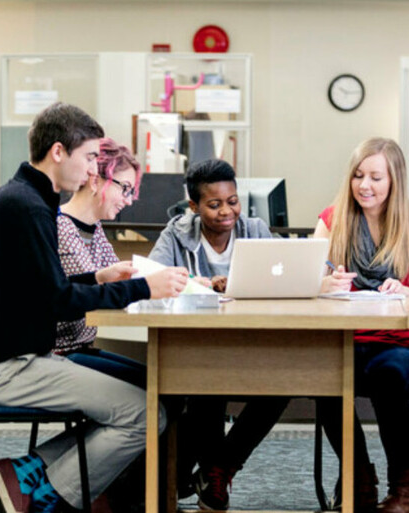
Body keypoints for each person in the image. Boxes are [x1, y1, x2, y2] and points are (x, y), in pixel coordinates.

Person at [0, 102, 189, 513]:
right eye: (89, 158)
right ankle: (52, 501)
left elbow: (46, 291)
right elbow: (59, 303)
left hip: (23, 356)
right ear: (59, 152)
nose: (92, 170)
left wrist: (98, 279)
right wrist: (141, 289)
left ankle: (29, 473)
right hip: (12, 365)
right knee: (144, 414)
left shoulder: (27, 199)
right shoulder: (27, 207)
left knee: (146, 405)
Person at [148, 158, 290, 511]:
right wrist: (205, 284)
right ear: (194, 207)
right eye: (214, 204)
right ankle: (212, 480)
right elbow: (152, 277)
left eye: (233, 201)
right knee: (205, 389)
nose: (227, 212)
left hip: (253, 344)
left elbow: (283, 274)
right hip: (196, 347)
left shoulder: (255, 229)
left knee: (287, 382)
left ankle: (220, 468)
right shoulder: (176, 234)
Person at [314, 137, 409, 513]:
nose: (364, 185)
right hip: (348, 337)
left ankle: (404, 491)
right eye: (358, 175)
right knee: (320, 375)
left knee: (387, 376)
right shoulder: (332, 219)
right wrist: (324, 284)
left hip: (401, 344)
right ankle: (358, 478)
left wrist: (407, 289)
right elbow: (304, 284)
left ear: (395, 180)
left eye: (376, 177)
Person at [54, 137, 146, 389]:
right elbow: (97, 294)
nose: (127, 200)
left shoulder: (93, 228)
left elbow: (120, 278)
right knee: (155, 384)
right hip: (59, 356)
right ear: (95, 181)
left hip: (80, 348)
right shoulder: (62, 227)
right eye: (125, 188)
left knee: (161, 379)